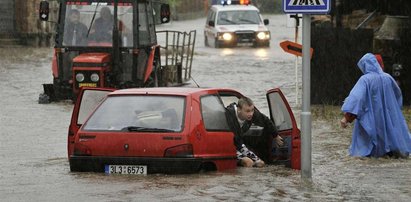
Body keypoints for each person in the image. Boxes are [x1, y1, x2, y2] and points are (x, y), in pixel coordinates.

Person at [340, 53, 411, 158]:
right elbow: (397, 94)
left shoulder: (365, 80)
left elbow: (356, 99)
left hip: (372, 118)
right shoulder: (388, 78)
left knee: (366, 151)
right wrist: (393, 108)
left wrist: (346, 118)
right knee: (391, 146)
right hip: (389, 118)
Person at [225, 97, 284, 167]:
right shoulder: (228, 114)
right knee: (248, 162)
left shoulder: (253, 114)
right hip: (227, 146)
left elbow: (266, 120)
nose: (251, 114)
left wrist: (276, 135)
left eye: (252, 110)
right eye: (247, 111)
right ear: (239, 110)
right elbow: (237, 141)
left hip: (239, 144)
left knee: (260, 163)